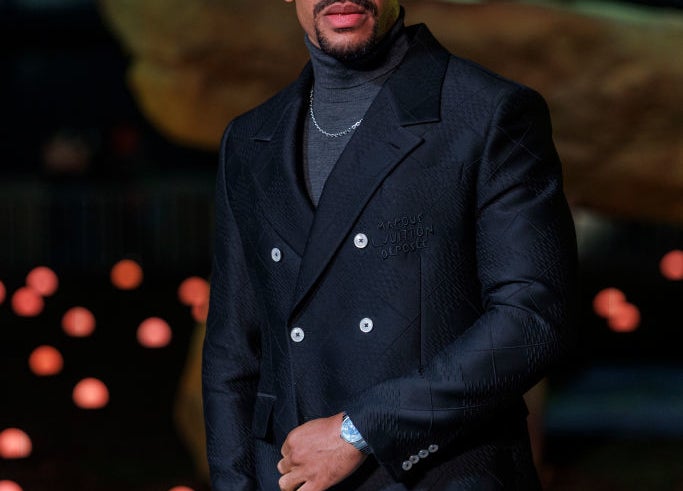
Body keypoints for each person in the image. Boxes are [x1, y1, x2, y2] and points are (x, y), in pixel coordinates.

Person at [202, 0, 577, 489]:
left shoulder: (488, 113)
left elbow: (533, 319)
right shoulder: (250, 139)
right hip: (290, 475)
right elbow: (233, 354)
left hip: (443, 475)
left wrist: (361, 431)